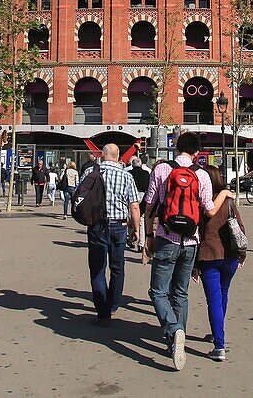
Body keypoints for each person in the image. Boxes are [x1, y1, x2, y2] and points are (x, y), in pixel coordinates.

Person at [143, 131, 227, 371]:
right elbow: (209, 211)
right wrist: (224, 193)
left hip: (165, 238)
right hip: (190, 241)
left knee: (158, 291)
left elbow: (150, 205)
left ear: (175, 147)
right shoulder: (201, 175)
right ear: (197, 153)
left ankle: (173, 330)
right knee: (181, 293)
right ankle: (176, 339)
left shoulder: (161, 170)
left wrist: (148, 236)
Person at [79, 143, 141, 327]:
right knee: (117, 267)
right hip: (119, 226)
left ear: (103, 155)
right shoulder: (126, 175)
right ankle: (113, 304)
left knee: (97, 269)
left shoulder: (91, 172)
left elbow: (79, 194)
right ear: (118, 156)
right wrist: (136, 229)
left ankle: (103, 312)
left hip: (97, 225)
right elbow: (134, 206)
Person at [194, 166, 245, 362]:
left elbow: (196, 234)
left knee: (213, 300)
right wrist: (241, 255)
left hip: (209, 256)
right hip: (230, 256)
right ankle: (218, 333)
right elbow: (240, 229)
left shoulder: (202, 204)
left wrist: (195, 266)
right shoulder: (230, 202)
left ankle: (219, 345)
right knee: (223, 295)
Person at [129, 155, 151, 250]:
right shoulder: (146, 173)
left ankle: (131, 240)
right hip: (143, 195)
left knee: (131, 217)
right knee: (141, 219)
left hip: (132, 195)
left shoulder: (129, 173)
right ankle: (141, 243)